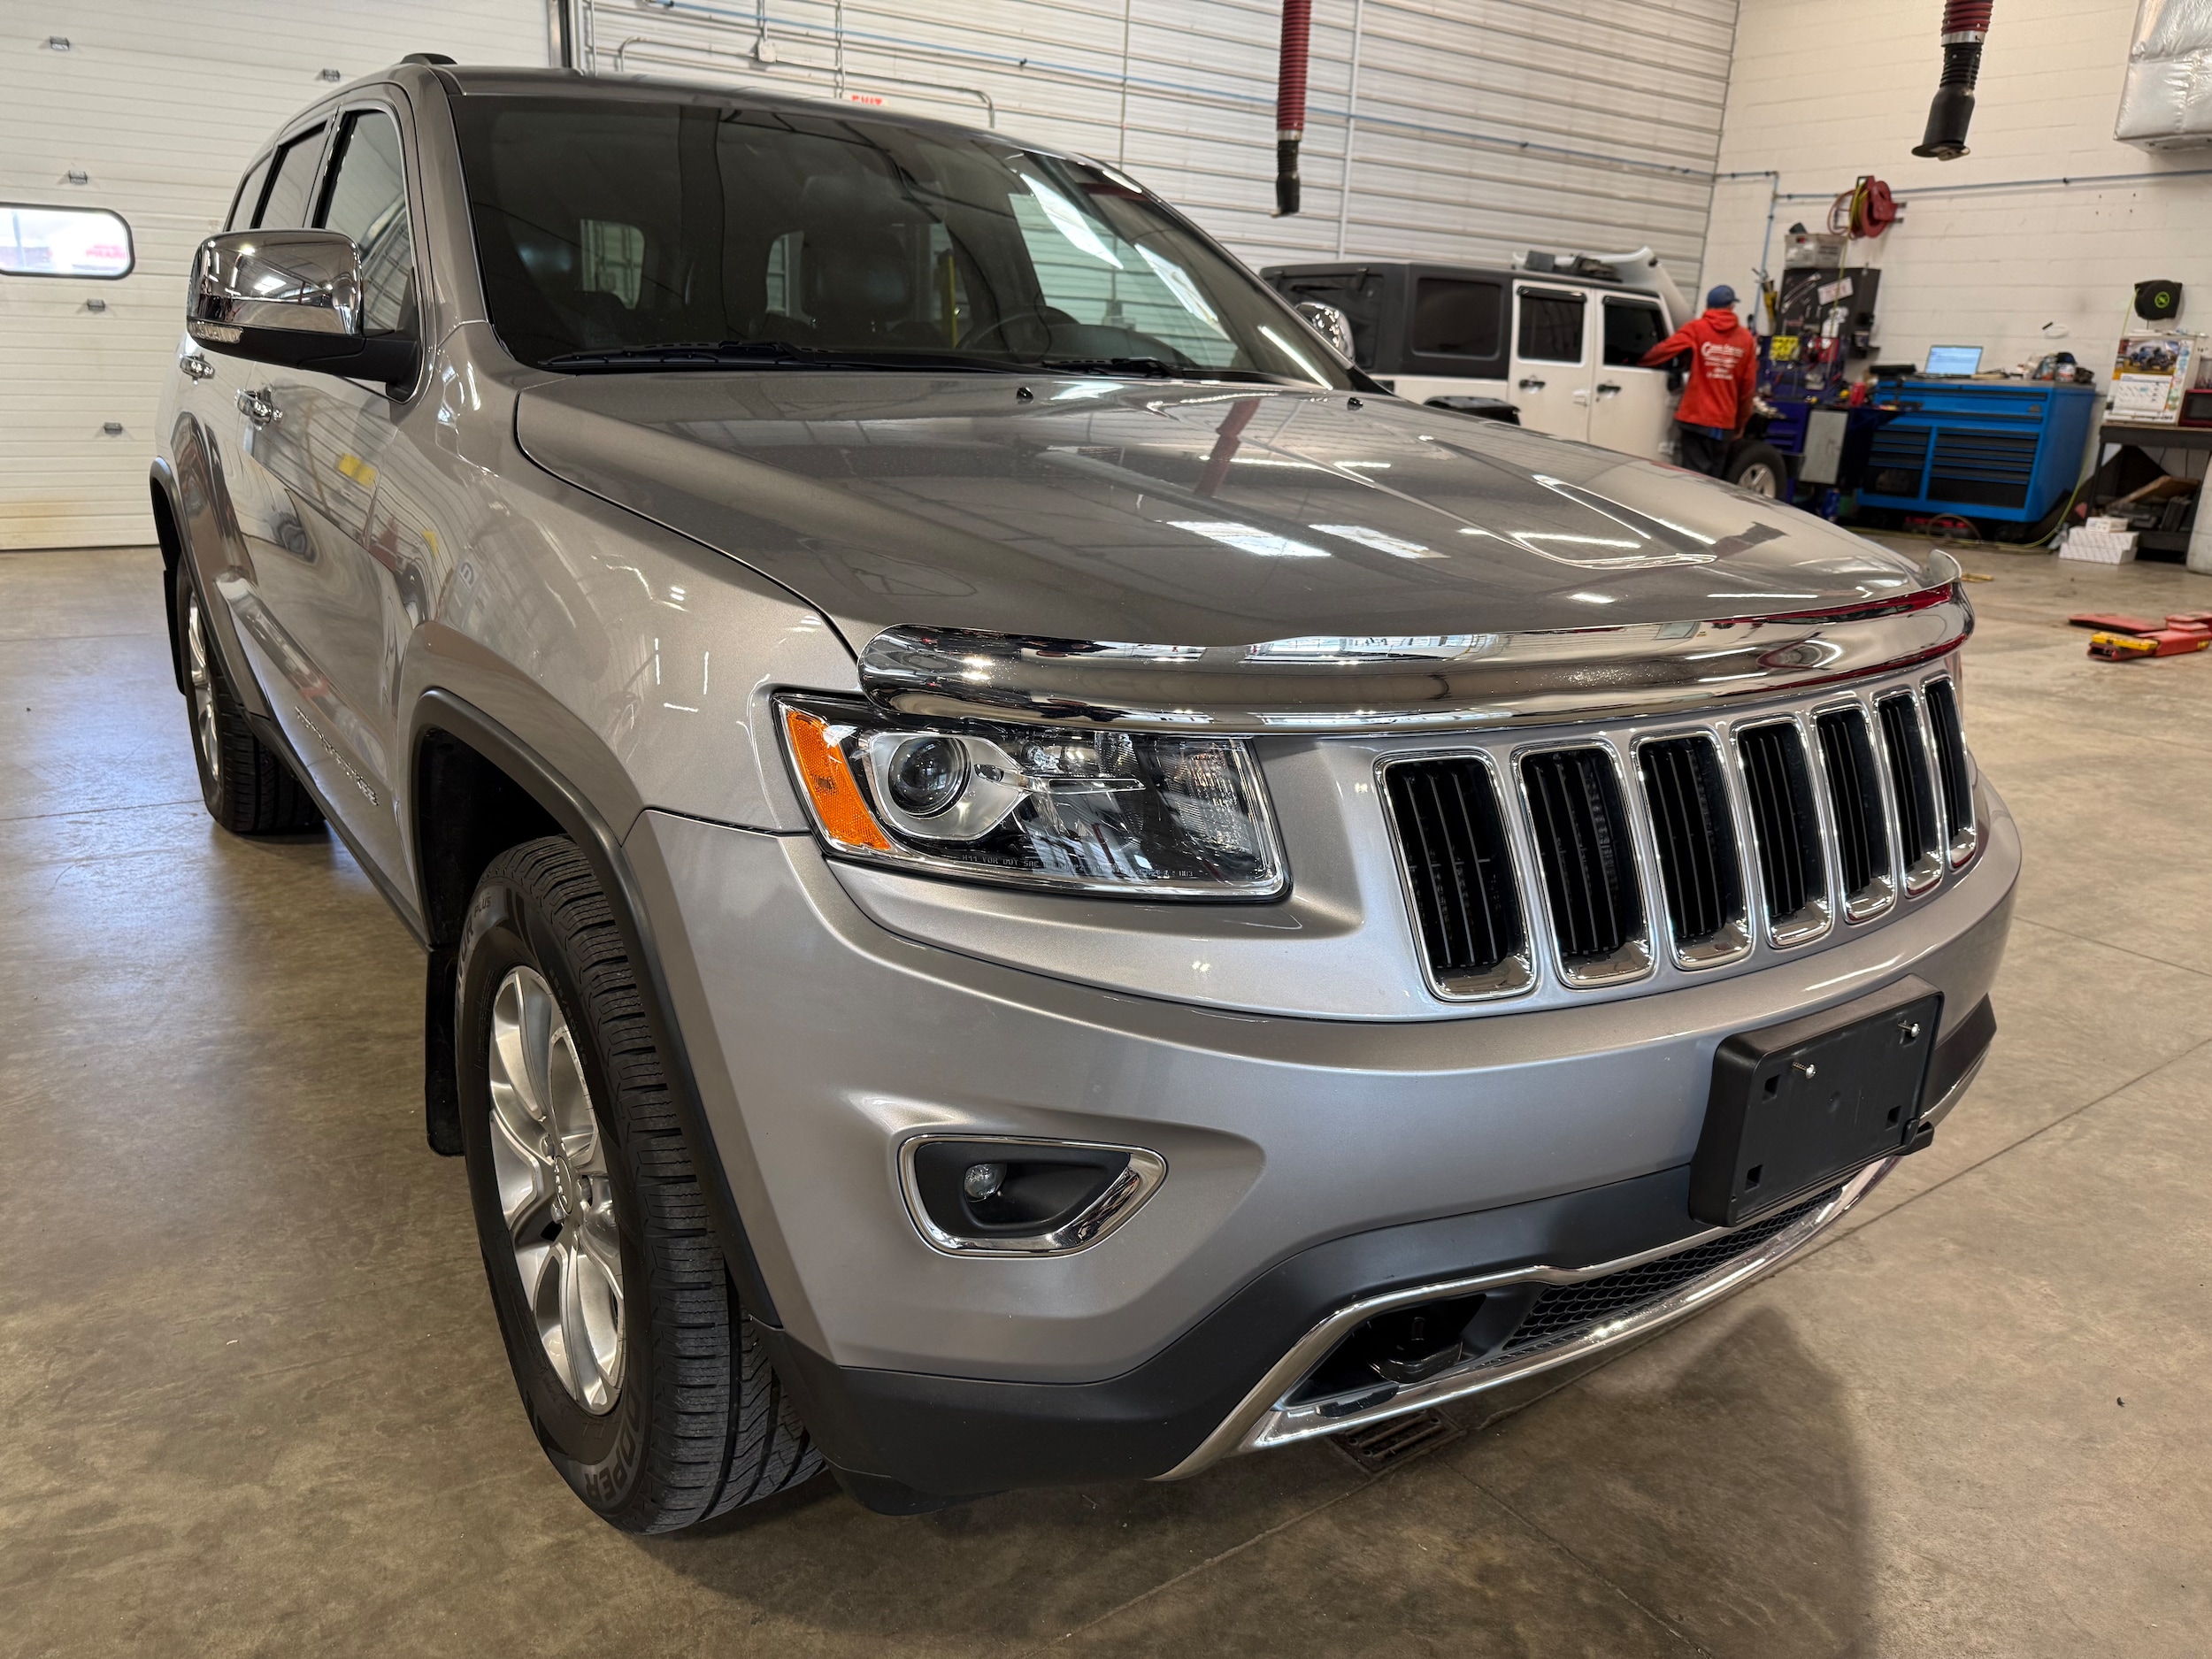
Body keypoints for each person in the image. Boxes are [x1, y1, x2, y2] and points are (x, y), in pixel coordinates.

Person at [1641, 284, 1759, 478]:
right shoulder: (1745, 339)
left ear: (1707, 305)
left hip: (1695, 417)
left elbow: (1664, 350)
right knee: (1714, 480)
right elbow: (1747, 388)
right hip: (1723, 424)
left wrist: (1642, 362)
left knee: (1692, 476)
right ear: (1731, 307)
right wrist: (1740, 424)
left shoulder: (1697, 329)